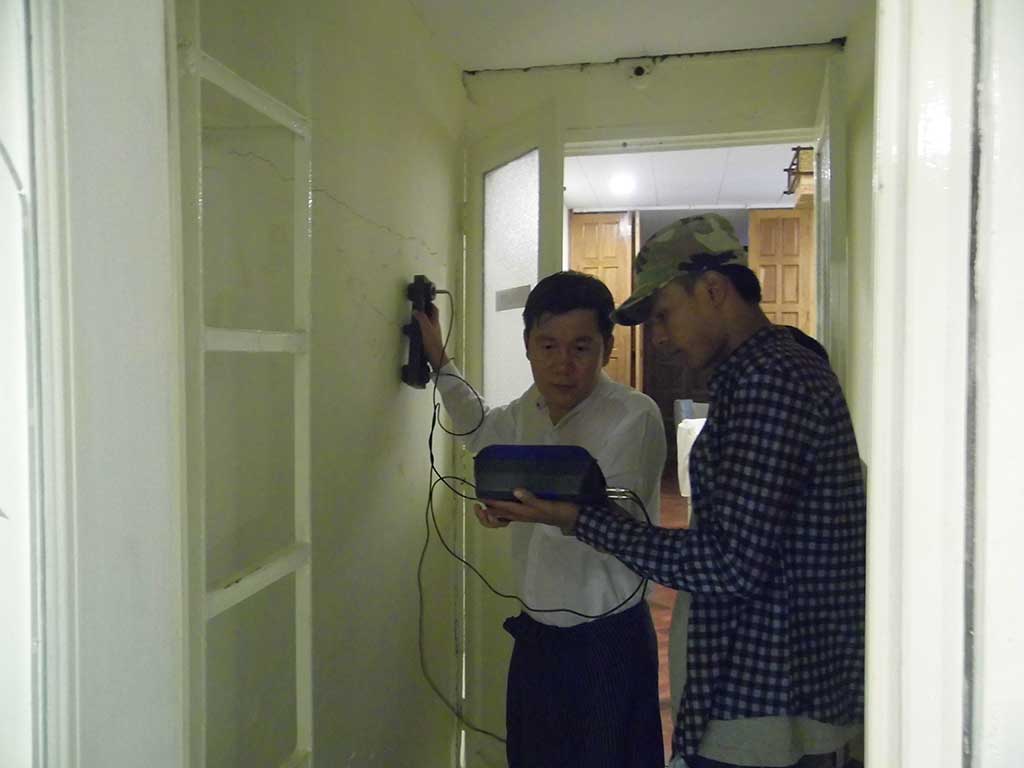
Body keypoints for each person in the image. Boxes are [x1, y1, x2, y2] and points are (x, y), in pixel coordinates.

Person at [484, 215, 866, 768]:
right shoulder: (759, 375)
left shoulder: (771, 382)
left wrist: (578, 519)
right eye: (546, 346)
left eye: (663, 315)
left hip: (768, 698)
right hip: (753, 689)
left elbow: (726, 563)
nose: (659, 338)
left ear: (712, 289)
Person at [414, 270, 668, 768]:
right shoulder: (527, 410)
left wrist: (542, 512)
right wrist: (439, 360)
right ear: (528, 346)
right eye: (548, 346)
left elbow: (617, 525)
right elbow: (479, 430)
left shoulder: (633, 416)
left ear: (607, 348)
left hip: (608, 638)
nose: (562, 364)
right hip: (538, 635)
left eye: (581, 347)